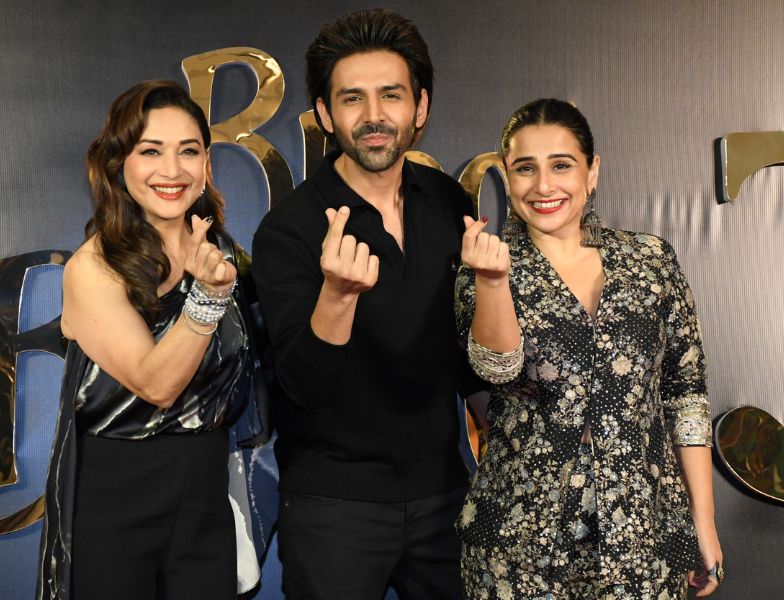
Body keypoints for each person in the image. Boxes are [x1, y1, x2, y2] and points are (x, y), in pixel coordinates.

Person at [455, 99, 724, 599]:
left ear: (591, 171)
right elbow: (497, 370)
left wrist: (702, 522)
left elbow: (685, 394)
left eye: (561, 165)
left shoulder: (649, 260)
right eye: (525, 168)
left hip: (643, 537)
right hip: (519, 544)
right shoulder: (484, 266)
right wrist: (493, 281)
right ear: (507, 178)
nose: (544, 185)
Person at [251, 8, 475, 599]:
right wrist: (339, 294)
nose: (374, 116)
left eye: (391, 95)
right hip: (334, 505)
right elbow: (303, 385)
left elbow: (469, 361)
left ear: (420, 107)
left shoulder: (449, 203)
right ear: (325, 114)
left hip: (446, 496)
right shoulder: (290, 229)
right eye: (352, 98)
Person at [37, 80, 265, 600]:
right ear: (118, 163)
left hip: (205, 493)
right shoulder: (93, 268)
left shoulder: (222, 252)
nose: (172, 170)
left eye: (189, 151)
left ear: (207, 163)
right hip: (117, 499)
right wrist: (206, 298)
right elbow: (157, 383)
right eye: (151, 151)